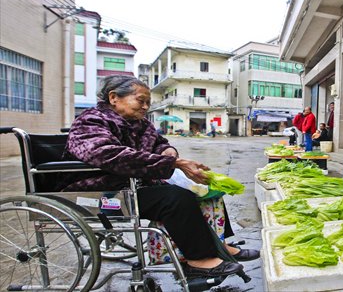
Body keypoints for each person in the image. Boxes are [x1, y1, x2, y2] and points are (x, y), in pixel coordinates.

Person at [58, 75, 259, 278]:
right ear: (113, 98)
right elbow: (108, 155)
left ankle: (220, 245)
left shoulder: (140, 124)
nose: (145, 107)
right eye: (140, 100)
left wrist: (169, 152)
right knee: (174, 198)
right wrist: (175, 163)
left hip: (134, 186)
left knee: (206, 189)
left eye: (148, 103)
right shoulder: (91, 121)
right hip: (101, 194)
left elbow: (160, 143)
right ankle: (199, 260)